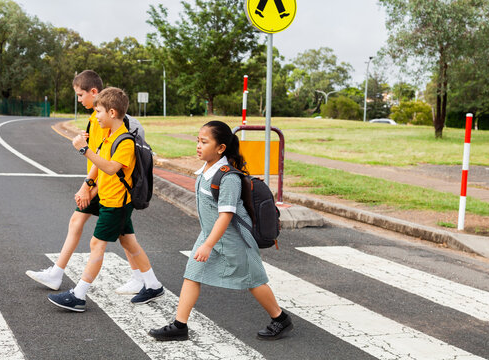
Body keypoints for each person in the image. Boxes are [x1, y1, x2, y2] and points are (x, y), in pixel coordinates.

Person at [148, 120, 293, 341]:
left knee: (253, 281)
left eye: (204, 142)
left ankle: (280, 318)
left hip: (234, 240)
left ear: (221, 148)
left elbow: (226, 216)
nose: (198, 145)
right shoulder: (206, 170)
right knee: (192, 274)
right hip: (210, 236)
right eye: (198, 140)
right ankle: (180, 325)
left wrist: (208, 245)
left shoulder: (228, 178)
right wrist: (207, 242)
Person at [26, 71, 159, 296]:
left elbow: (108, 163)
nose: (78, 100)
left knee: (102, 239)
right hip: (102, 186)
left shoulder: (108, 123)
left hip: (109, 188)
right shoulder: (96, 120)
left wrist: (89, 186)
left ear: (94, 93)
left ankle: (76, 289)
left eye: (80, 95)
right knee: (122, 235)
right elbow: (100, 154)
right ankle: (145, 280)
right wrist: (87, 183)